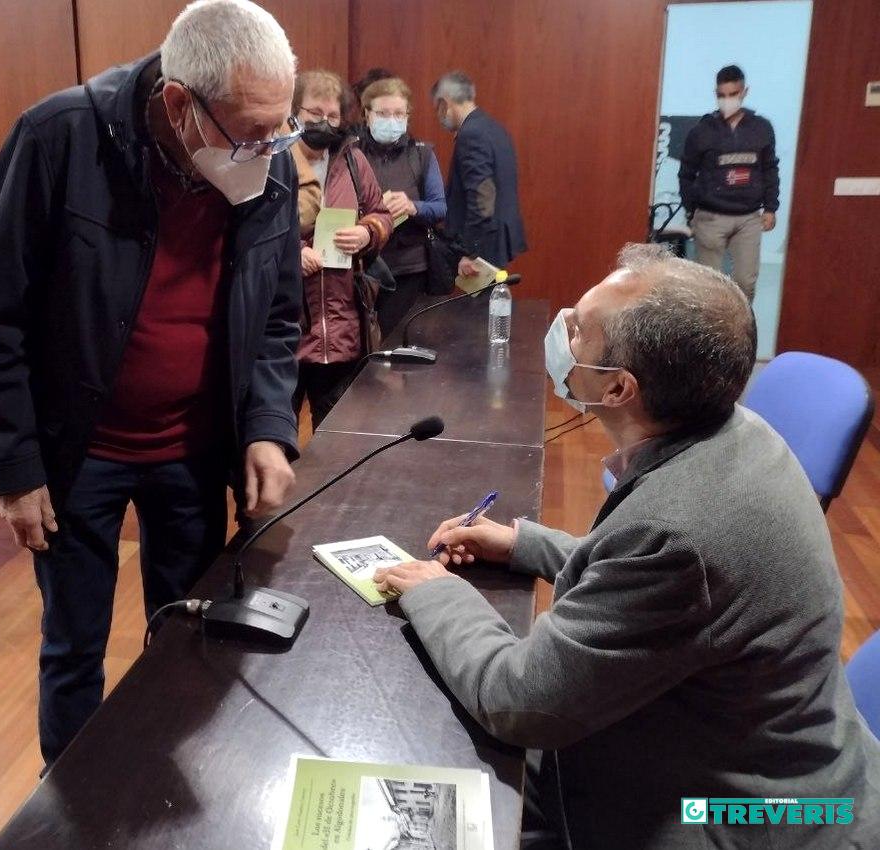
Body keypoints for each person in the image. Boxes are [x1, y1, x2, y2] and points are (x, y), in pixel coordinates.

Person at [373, 243, 880, 849]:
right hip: (756, 755)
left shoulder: (681, 532)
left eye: (579, 328)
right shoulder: (736, 430)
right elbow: (662, 594)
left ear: (617, 390)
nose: (563, 328)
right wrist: (524, 545)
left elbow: (521, 702)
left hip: (740, 814)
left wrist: (440, 593)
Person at [0, 0, 306, 766]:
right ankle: (70, 813)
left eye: (279, 128)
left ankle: (171, 781)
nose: (270, 148)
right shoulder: (58, 137)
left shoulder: (266, 157)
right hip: (76, 454)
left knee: (187, 631)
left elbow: (277, 317)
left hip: (192, 446)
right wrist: (14, 467)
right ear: (180, 104)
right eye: (251, 130)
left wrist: (266, 425)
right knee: (74, 644)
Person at [291, 70, 393, 429]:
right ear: (294, 112)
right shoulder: (273, 160)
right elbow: (247, 233)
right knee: (277, 439)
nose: (324, 123)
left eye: (332, 116)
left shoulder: (353, 160)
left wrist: (367, 233)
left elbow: (380, 214)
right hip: (288, 328)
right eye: (315, 114)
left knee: (335, 436)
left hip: (343, 327)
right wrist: (292, 255)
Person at [679, 64, 779, 302]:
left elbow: (769, 168)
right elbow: (686, 174)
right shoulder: (701, 131)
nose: (727, 100)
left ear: (744, 92)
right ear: (716, 94)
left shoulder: (762, 128)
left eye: (733, 94)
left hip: (748, 218)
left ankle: (739, 333)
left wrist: (771, 207)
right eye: (722, 95)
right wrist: (691, 212)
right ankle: (707, 336)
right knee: (707, 286)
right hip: (710, 217)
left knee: (746, 282)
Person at [359, 77, 447, 336]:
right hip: (363, 266)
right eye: (383, 113)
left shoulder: (422, 154)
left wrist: (412, 206)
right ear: (367, 114)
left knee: (395, 341)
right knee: (362, 344)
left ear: (408, 115)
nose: (391, 119)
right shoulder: (352, 152)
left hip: (409, 267)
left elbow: (440, 207)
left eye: (398, 113)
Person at [432, 71, 526, 282]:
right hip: (496, 239)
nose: (438, 115)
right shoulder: (494, 128)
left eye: (437, 108)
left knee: (478, 312)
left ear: (444, 103)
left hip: (482, 248)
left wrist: (470, 251)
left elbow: (482, 196)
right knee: (491, 308)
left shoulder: (471, 134)